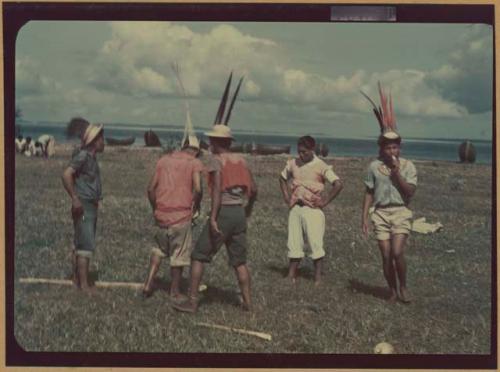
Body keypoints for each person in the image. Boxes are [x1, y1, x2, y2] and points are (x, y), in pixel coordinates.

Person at [173, 125, 258, 313]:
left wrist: (213, 218)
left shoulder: (216, 162)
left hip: (224, 212)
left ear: (217, 143)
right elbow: (254, 189)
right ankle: (248, 303)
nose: (209, 144)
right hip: (238, 213)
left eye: (212, 140)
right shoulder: (242, 161)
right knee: (239, 261)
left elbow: (218, 191)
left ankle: (192, 302)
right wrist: (247, 210)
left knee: (198, 256)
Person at [360, 83, 417, 303]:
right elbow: (368, 192)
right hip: (381, 213)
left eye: (395, 147)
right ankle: (392, 289)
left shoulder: (408, 166)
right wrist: (364, 217)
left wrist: (396, 174)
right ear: (382, 149)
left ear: (399, 148)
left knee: (397, 253)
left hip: (400, 212)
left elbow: (409, 192)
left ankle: (403, 287)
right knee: (385, 255)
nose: (392, 151)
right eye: (388, 148)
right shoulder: (374, 167)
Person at [142, 135, 203, 301]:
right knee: (179, 254)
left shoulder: (163, 160)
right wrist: (195, 207)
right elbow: (198, 188)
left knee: (159, 249)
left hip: (161, 215)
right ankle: (174, 291)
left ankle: (148, 283)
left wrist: (156, 208)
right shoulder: (194, 163)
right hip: (181, 216)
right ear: (196, 151)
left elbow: (150, 189)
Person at [279, 135, 343, 286]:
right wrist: (287, 198)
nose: (301, 155)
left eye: (305, 152)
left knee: (315, 243)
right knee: (294, 242)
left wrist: (325, 201)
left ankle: (318, 278)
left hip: (312, 210)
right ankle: (291, 275)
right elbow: (282, 178)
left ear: (312, 150)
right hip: (296, 208)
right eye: (299, 151)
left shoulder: (321, 165)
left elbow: (338, 184)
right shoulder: (292, 163)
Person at [61, 123, 105, 293]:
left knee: (80, 242)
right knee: (85, 245)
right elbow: (66, 175)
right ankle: (85, 286)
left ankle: (77, 279)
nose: (104, 142)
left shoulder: (90, 157)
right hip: (85, 204)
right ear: (94, 141)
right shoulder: (84, 156)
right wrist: (75, 198)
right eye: (101, 139)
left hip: (88, 204)